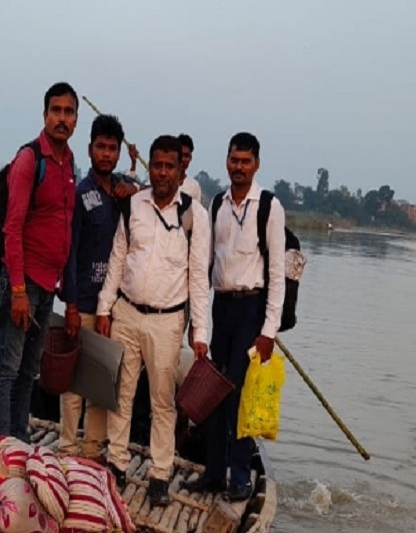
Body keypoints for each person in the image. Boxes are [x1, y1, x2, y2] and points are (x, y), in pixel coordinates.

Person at [95, 135, 211, 507]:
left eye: (169, 166)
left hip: (167, 321)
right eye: (156, 165)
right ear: (150, 166)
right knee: (121, 392)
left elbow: (199, 277)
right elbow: (117, 258)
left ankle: (160, 474)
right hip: (126, 312)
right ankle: (116, 463)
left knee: (163, 401)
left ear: (181, 170)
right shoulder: (133, 205)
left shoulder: (194, 215)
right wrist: (103, 307)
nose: (161, 173)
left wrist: (200, 331)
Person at [186, 132, 286, 502]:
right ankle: (214, 472)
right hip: (221, 308)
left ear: (256, 164)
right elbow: (205, 264)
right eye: (233, 160)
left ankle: (240, 478)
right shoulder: (217, 205)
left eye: (245, 161)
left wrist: (268, 331)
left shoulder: (269, 207)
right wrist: (198, 323)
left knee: (241, 397)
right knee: (214, 391)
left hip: (251, 310)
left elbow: (277, 275)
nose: (239, 167)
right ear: (226, 161)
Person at [0, 82, 80, 442]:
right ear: (44, 116)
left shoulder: (69, 162)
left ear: (75, 120)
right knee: (6, 367)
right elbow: (12, 228)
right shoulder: (30, 160)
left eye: (68, 112)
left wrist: (67, 297)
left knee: (28, 371)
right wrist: (19, 292)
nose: (61, 118)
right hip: (22, 283)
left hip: (48, 285)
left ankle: (19, 439)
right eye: (55, 111)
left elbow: (66, 230)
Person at [56, 114, 139, 459]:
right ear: (89, 150)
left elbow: (157, 197)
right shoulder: (80, 194)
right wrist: (72, 307)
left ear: (119, 153)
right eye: (100, 147)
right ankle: (65, 448)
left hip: (116, 307)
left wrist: (132, 189)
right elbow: (69, 254)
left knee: (102, 384)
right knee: (73, 384)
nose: (106, 154)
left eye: (112, 149)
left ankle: (91, 451)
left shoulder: (125, 191)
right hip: (83, 303)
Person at [178, 133, 203, 204]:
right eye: (181, 155)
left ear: (190, 158)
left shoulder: (194, 187)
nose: (183, 159)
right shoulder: (163, 182)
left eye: (186, 156)